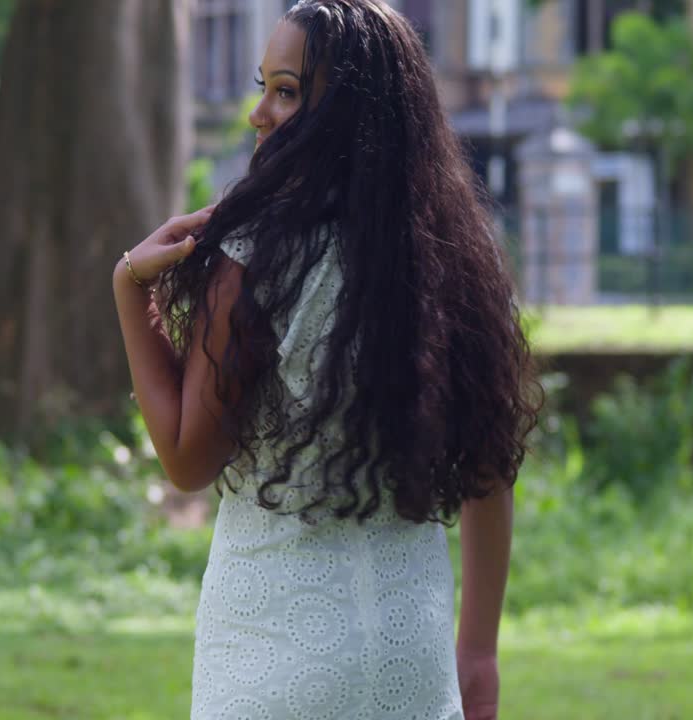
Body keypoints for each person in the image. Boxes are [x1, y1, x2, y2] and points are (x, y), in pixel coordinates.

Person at [112, 1, 540, 717]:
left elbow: (188, 462)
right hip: (412, 659)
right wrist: (479, 654)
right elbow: (491, 470)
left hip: (275, 658)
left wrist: (130, 288)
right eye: (263, 87)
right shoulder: (454, 265)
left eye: (285, 91)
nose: (259, 114)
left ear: (345, 113)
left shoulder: (257, 260)